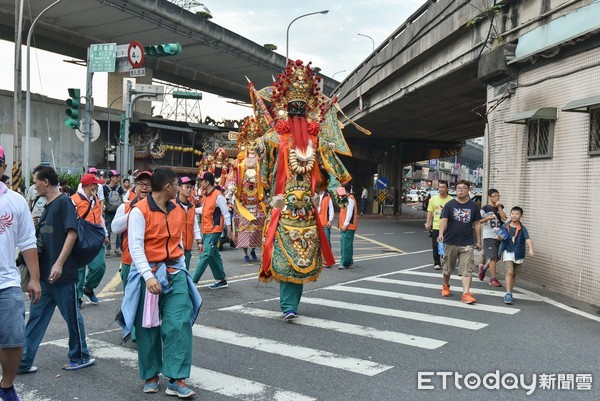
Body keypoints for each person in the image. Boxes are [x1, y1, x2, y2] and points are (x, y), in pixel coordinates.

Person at [259, 60, 351, 319]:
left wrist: (338, 194)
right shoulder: (274, 139)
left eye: (303, 106)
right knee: (283, 257)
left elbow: (331, 173)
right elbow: (265, 176)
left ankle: (291, 305)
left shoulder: (318, 140)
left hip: (307, 210)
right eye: (293, 106)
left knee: (301, 257)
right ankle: (287, 306)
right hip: (283, 206)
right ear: (283, 107)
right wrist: (261, 151)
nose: (298, 110)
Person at [119, 167, 201, 397]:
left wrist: (182, 269)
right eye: (177, 184)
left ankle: (177, 378)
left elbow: (179, 244)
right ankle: (151, 374)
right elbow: (136, 248)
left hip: (175, 272)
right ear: (168, 187)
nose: (180, 188)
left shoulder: (178, 210)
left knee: (179, 323)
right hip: (149, 275)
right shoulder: (138, 211)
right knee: (148, 328)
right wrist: (148, 276)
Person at [19, 165, 95, 375]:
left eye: (35, 181)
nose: (34, 186)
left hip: (62, 275)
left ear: (45, 181)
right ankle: (23, 362)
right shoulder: (45, 205)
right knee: (35, 319)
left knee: (72, 317)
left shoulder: (64, 203)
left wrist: (59, 263)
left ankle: (80, 356)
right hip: (44, 277)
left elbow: (72, 234)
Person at [0, 147, 41, 401]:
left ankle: (6, 385)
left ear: (3, 167)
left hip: (7, 284)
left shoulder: (15, 202)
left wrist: (34, 278)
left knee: (14, 340)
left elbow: (27, 242)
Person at [225, 116, 266, 263]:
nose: (252, 147)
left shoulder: (262, 163)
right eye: (249, 144)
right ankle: (245, 252)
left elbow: (266, 177)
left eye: (254, 144)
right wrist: (231, 187)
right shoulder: (238, 163)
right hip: (243, 200)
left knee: (256, 227)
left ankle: (254, 249)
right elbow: (231, 177)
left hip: (257, 199)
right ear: (244, 145)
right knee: (244, 227)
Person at [437, 180, 482, 304]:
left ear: (468, 190)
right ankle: (446, 285)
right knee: (447, 268)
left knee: (467, 270)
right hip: (450, 241)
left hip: (467, 242)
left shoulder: (473, 206)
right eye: (458, 188)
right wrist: (441, 234)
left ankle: (466, 294)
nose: (460, 190)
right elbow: (444, 220)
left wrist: (478, 240)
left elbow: (477, 224)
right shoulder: (449, 205)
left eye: (463, 188)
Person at [72, 174, 109, 305]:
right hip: (80, 238)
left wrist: (105, 233)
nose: (99, 186)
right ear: (90, 186)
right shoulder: (74, 200)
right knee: (79, 269)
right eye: (97, 184)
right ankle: (77, 297)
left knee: (100, 266)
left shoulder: (95, 199)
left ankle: (89, 288)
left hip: (96, 237)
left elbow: (99, 216)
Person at [111, 171, 152, 288]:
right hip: (129, 261)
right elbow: (115, 228)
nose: (144, 187)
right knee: (129, 302)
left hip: (152, 262)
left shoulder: (158, 209)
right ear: (135, 187)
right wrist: (135, 212)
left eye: (148, 185)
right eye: (141, 184)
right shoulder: (125, 207)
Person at [191, 172, 232, 288]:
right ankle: (221, 280)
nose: (199, 183)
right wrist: (191, 209)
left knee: (205, 254)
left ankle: (193, 281)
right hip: (207, 230)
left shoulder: (218, 196)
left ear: (207, 182)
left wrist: (229, 231)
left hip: (214, 230)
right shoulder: (207, 195)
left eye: (201, 181)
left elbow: (226, 214)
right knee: (213, 255)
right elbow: (204, 210)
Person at [499, 206, 534, 305]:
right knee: (509, 272)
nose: (514, 216)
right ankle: (508, 293)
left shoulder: (523, 229)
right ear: (510, 214)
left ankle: (510, 291)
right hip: (507, 251)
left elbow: (527, 239)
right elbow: (500, 237)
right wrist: (500, 237)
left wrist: (531, 249)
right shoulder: (505, 226)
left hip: (518, 252)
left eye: (517, 214)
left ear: (521, 216)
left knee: (513, 273)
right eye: (512, 213)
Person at [478, 188, 507, 287]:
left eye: (498, 195)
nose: (496, 197)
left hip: (499, 235)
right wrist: (487, 218)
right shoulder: (485, 208)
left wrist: (499, 207)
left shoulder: (501, 207)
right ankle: (493, 279)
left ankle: (484, 268)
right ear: (489, 197)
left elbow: (504, 218)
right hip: (489, 235)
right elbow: (478, 221)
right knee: (492, 257)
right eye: (494, 196)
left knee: (498, 256)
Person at [425, 181, 453, 270]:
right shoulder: (433, 199)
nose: (441, 189)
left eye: (443, 187)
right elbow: (430, 212)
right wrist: (428, 222)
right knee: (436, 245)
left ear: (447, 188)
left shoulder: (451, 200)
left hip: (449, 227)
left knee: (448, 245)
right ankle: (437, 263)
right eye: (440, 187)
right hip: (436, 226)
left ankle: (445, 261)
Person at [176, 177, 202, 270]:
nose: (189, 189)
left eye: (191, 187)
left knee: (185, 271)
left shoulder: (192, 207)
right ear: (179, 188)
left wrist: (199, 241)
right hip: (175, 248)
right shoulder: (172, 205)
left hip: (188, 247)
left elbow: (195, 225)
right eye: (186, 187)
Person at [103, 170, 125, 256]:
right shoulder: (105, 188)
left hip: (118, 212)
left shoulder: (119, 188)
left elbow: (123, 198)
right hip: (108, 212)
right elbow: (102, 200)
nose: (116, 178)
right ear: (111, 178)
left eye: (117, 177)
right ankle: (108, 248)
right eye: (115, 177)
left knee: (119, 230)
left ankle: (117, 248)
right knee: (108, 230)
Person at [339, 183, 358, 269]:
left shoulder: (350, 199)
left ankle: (344, 263)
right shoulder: (346, 198)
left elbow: (349, 213)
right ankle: (349, 262)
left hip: (348, 226)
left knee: (345, 245)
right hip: (346, 225)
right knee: (347, 244)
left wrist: (345, 225)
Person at [317, 183, 334, 249]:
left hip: (325, 224)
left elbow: (331, 209)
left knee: (327, 241)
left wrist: (330, 220)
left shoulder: (327, 196)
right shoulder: (314, 196)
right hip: (316, 224)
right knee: (317, 242)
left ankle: (328, 258)